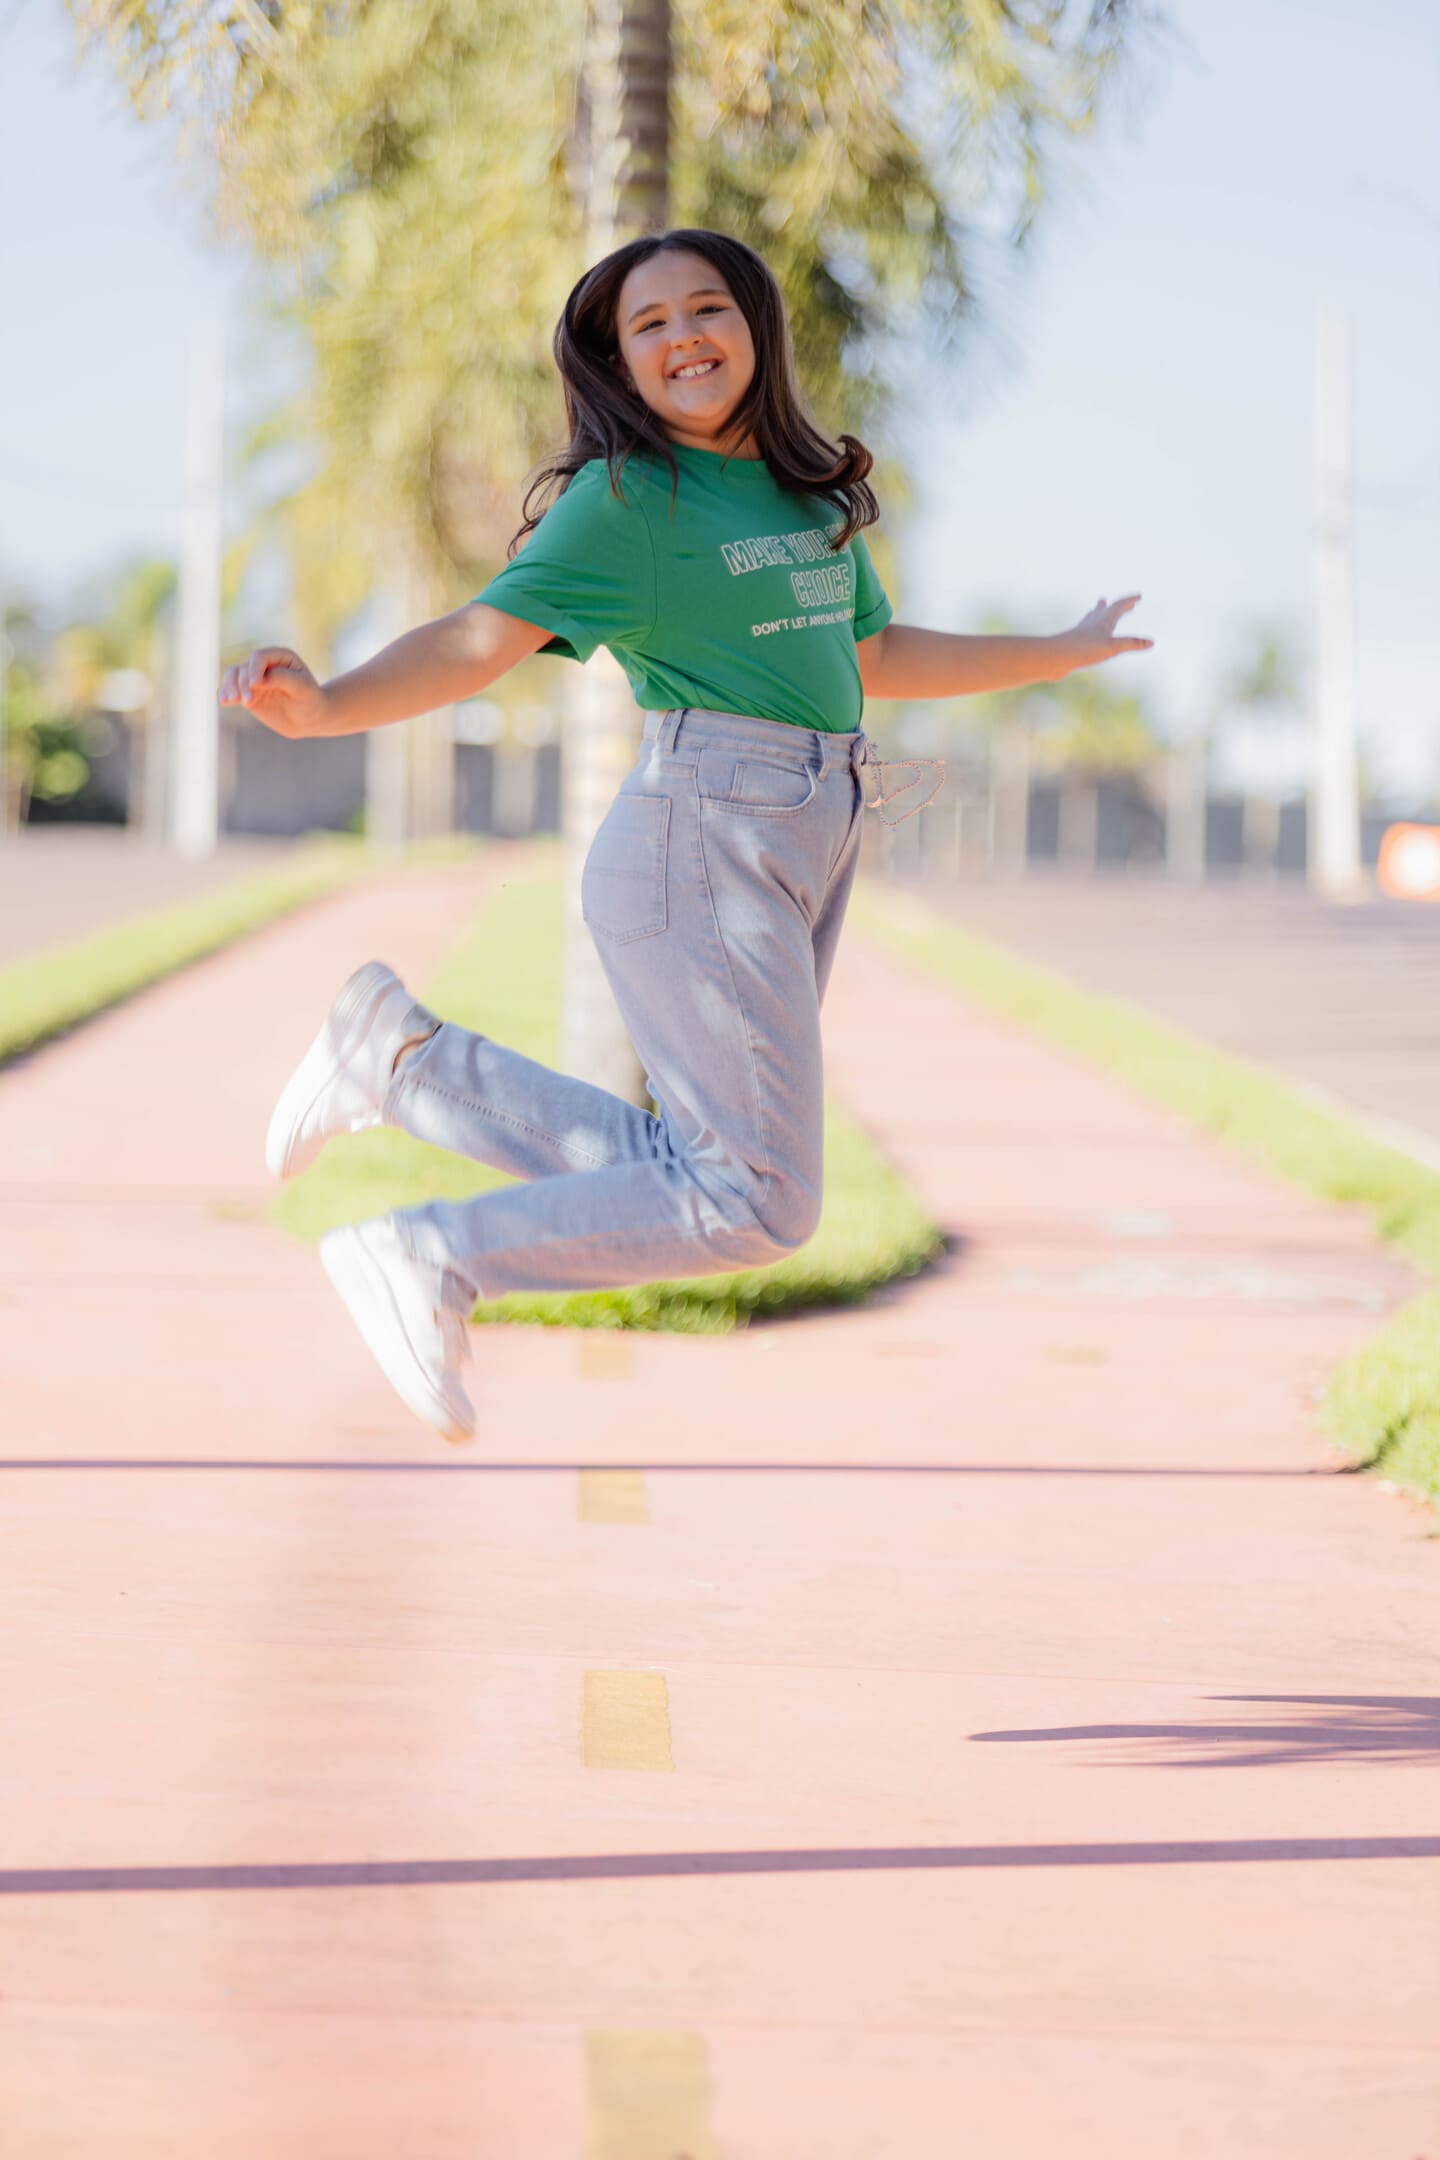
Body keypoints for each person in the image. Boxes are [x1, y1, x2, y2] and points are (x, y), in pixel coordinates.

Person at [221, 226, 1152, 1445]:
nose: (681, 338)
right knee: (760, 1200)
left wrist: (1059, 650)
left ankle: (403, 1064)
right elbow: (473, 639)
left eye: (704, 309)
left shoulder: (810, 499)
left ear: (756, 328)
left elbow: (873, 658)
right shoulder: (628, 503)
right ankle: (427, 1252)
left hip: (803, 831)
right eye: (647, 326)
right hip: (699, 836)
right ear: (621, 364)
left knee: (702, 1161)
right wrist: (329, 704)